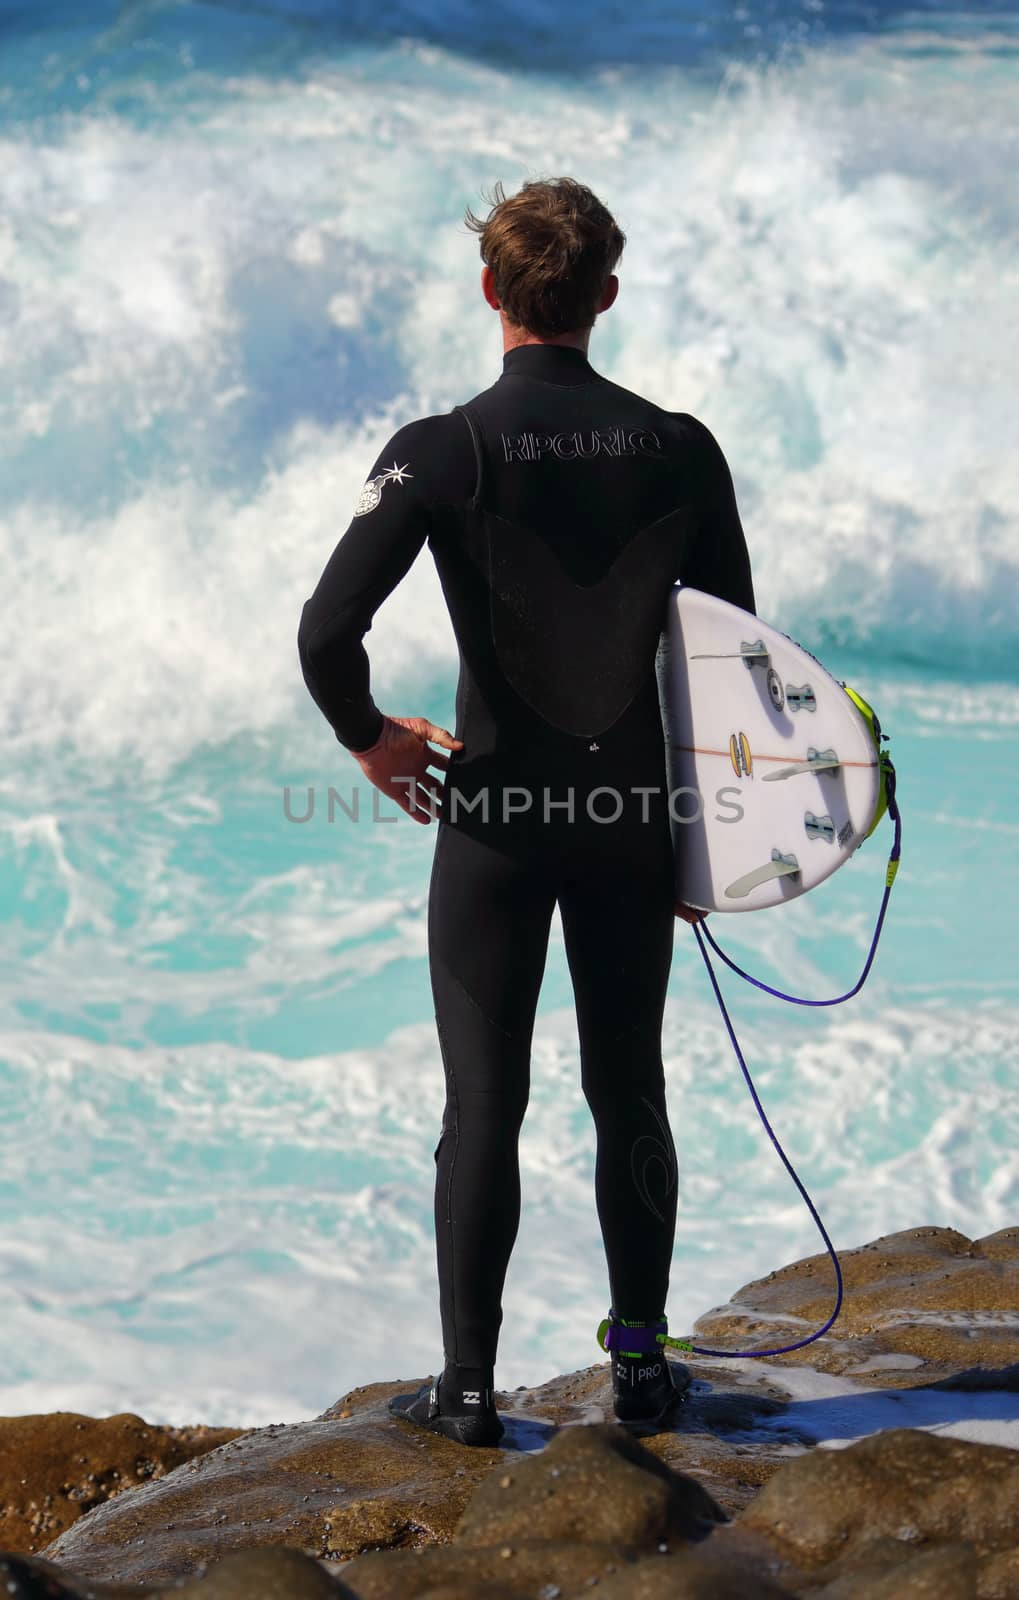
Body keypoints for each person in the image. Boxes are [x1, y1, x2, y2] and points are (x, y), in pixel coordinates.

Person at [297, 176, 755, 1448]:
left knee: (482, 1104)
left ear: (489, 291)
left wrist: (372, 739)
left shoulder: (443, 447)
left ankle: (465, 1392)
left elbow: (327, 630)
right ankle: (643, 1369)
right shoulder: (680, 445)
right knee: (630, 1092)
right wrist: (705, 834)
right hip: (627, 819)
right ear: (604, 294)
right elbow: (730, 662)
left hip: (493, 817)